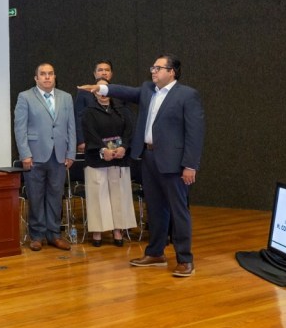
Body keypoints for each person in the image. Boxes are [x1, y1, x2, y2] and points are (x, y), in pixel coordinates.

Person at [79, 53, 204, 277]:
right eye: (152, 68)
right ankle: (156, 253)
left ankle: (185, 259)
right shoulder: (148, 90)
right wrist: (101, 88)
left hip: (175, 163)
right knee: (155, 209)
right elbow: (126, 91)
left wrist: (190, 166)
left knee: (179, 211)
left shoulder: (187, 95)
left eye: (158, 68)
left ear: (172, 72)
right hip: (149, 158)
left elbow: (195, 134)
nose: (153, 71)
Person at [13, 63, 75, 252]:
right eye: (43, 74)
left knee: (56, 196)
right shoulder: (25, 97)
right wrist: (25, 154)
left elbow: (71, 127)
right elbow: (20, 128)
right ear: (36, 78)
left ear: (55, 76)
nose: (47, 77)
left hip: (59, 156)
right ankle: (37, 235)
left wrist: (71, 152)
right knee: (36, 196)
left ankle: (54, 234)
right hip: (34, 156)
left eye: (50, 74)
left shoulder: (66, 97)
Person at [81, 78, 137, 247]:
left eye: (104, 89)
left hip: (119, 158)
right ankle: (97, 232)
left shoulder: (122, 110)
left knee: (119, 194)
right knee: (98, 195)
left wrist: (124, 147)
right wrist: (103, 150)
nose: (102, 94)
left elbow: (129, 131)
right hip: (97, 160)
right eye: (97, 90)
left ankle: (118, 231)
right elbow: (90, 134)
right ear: (94, 92)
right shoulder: (88, 112)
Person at [75, 60, 113, 154]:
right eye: (100, 70)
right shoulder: (84, 93)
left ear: (111, 74)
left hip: (113, 142)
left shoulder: (118, 92)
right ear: (95, 74)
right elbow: (78, 118)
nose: (104, 72)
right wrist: (81, 141)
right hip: (90, 142)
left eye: (107, 70)